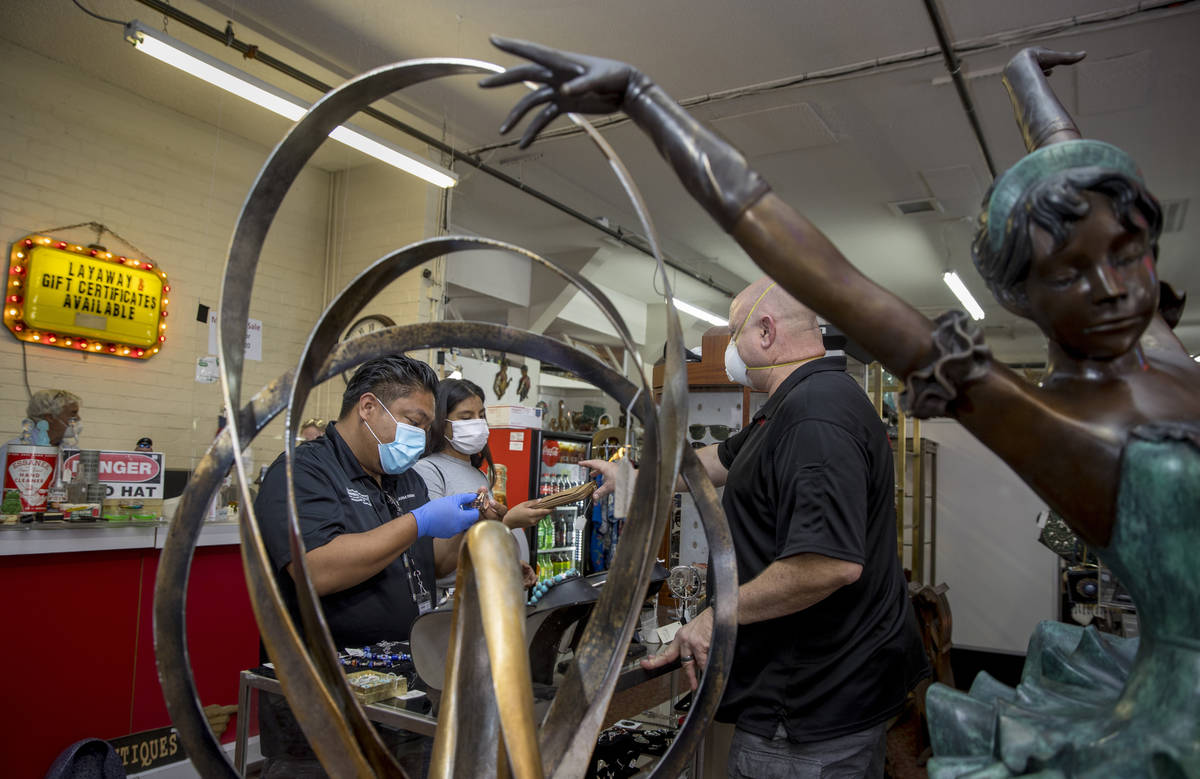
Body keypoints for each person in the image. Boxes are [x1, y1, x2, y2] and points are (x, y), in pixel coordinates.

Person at [485, 40, 1200, 777]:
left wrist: (645, 100)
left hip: (825, 712)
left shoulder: (835, 413)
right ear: (1031, 297)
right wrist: (629, 470)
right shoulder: (1106, 377)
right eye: (1070, 272)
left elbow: (826, 562)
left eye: (1124, 253)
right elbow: (712, 464)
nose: (1113, 288)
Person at [584, 279, 929, 777]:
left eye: (731, 335)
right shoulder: (796, 403)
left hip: (808, 714)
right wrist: (639, 477)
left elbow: (827, 565)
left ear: (765, 331)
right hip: (814, 699)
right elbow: (718, 461)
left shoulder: (816, 416)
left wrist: (715, 617)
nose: (729, 352)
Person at [253, 355, 483, 777]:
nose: (418, 437)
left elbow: (430, 563)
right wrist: (419, 521)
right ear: (368, 408)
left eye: (425, 428)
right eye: (412, 421)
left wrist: (469, 526)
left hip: (401, 697)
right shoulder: (303, 472)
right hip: (324, 704)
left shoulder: (405, 478)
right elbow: (317, 571)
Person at [412, 379, 548, 595]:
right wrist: (507, 522)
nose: (477, 423)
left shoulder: (479, 474)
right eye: (466, 417)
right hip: (452, 610)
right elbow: (438, 565)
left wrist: (506, 566)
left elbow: (475, 552)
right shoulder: (427, 471)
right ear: (440, 422)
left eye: (481, 416)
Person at [1, 389, 81, 465]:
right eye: (73, 413)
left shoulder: (70, 451)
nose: (78, 418)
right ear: (49, 417)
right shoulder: (15, 450)